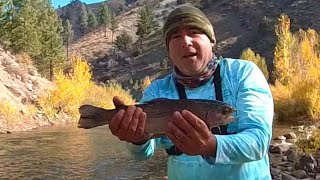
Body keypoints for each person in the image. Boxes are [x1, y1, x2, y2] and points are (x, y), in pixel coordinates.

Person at [109, 3, 274, 180]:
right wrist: (137, 140)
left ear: (211, 40)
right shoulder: (157, 90)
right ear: (168, 50)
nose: (185, 42)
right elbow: (141, 154)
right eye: (175, 36)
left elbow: (258, 142)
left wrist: (211, 145)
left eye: (194, 32)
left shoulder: (242, 73)